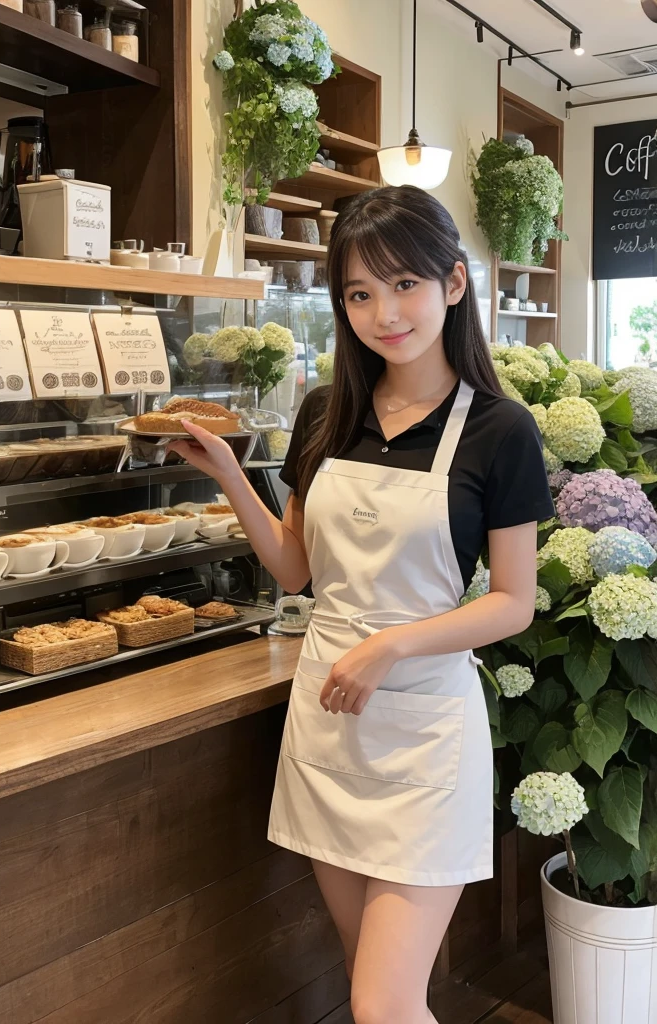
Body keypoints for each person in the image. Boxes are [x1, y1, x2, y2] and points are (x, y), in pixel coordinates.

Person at [169, 185, 555, 1024]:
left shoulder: (499, 429)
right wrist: (234, 474)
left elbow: (513, 603)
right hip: (329, 727)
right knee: (372, 989)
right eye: (358, 292)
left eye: (405, 284)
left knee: (381, 1004)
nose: (384, 312)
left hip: (423, 740)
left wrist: (390, 646)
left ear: (453, 284)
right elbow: (297, 568)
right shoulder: (327, 412)